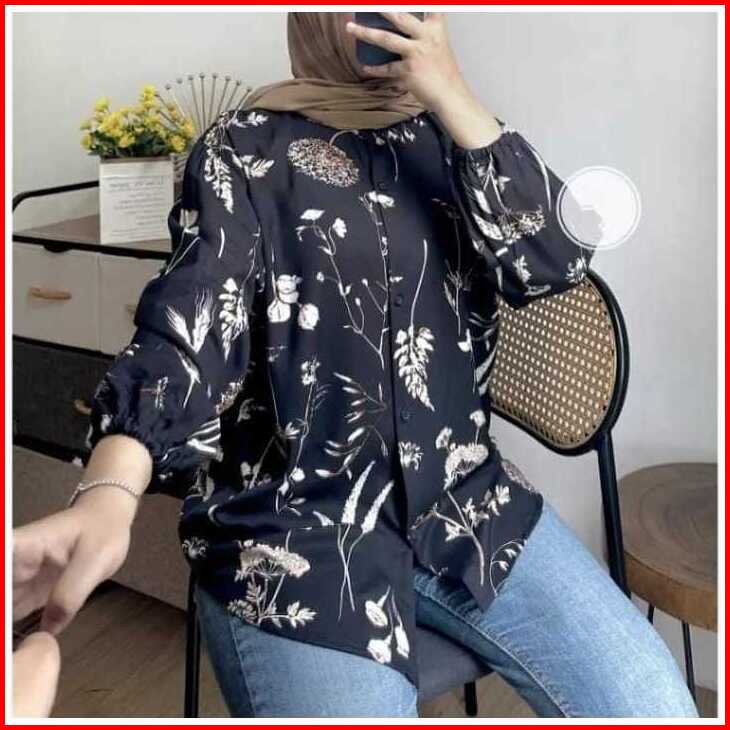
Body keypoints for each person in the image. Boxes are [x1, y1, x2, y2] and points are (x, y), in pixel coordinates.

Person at [12, 12, 698, 719]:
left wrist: (455, 96)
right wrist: (110, 492)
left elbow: (554, 263)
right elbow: (191, 327)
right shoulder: (242, 149)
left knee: (655, 705)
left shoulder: (458, 136)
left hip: (467, 504)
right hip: (296, 533)